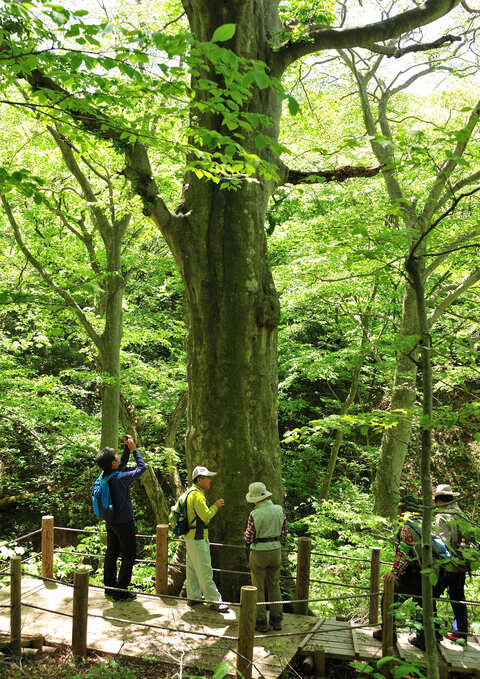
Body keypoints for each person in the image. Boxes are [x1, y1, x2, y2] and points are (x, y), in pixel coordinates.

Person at [96, 435, 146, 601]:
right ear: (112, 464)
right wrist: (134, 451)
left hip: (110, 522)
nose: (119, 458)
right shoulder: (121, 478)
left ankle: (109, 587)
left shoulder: (105, 475)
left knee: (112, 552)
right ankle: (121, 590)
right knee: (129, 555)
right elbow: (141, 468)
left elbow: (121, 464)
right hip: (124, 523)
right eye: (116, 457)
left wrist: (126, 448)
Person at [373, 495, 425, 648]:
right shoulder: (425, 525)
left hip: (412, 573)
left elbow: (403, 552)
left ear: (403, 510)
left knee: (389, 598)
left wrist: (394, 573)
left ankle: (388, 633)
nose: (397, 511)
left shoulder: (407, 528)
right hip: (429, 573)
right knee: (423, 604)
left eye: (399, 508)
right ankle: (427, 638)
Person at [244, 481, 287, 632]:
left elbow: (249, 537)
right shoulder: (279, 509)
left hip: (259, 552)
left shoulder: (254, 514)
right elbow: (284, 531)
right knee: (274, 585)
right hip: (276, 550)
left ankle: (261, 622)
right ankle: (277, 621)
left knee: (258, 587)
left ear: (255, 499)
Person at [184, 465, 227, 611]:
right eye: (208, 478)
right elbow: (206, 517)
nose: (210, 481)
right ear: (200, 479)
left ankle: (194, 597)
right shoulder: (197, 495)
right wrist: (216, 506)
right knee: (204, 569)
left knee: (192, 569)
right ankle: (215, 601)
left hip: (189, 538)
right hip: (198, 538)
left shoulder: (188, 493)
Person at [432, 483, 468, 642]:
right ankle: (461, 632)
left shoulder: (442, 517)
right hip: (463, 562)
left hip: (447, 564)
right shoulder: (461, 514)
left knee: (429, 595)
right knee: (457, 597)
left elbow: (442, 542)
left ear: (439, 500)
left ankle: (432, 631)